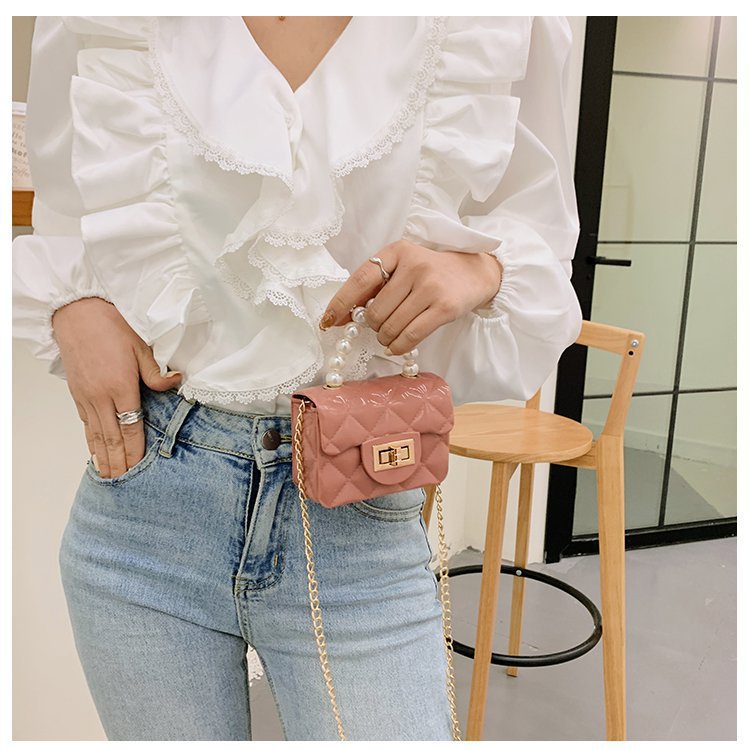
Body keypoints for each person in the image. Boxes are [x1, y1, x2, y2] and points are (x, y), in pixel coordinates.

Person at [12, 15, 583, 741]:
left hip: (359, 514)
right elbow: (66, 207)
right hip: (146, 509)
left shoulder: (498, 22)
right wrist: (74, 303)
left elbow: (541, 235)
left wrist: (481, 269)